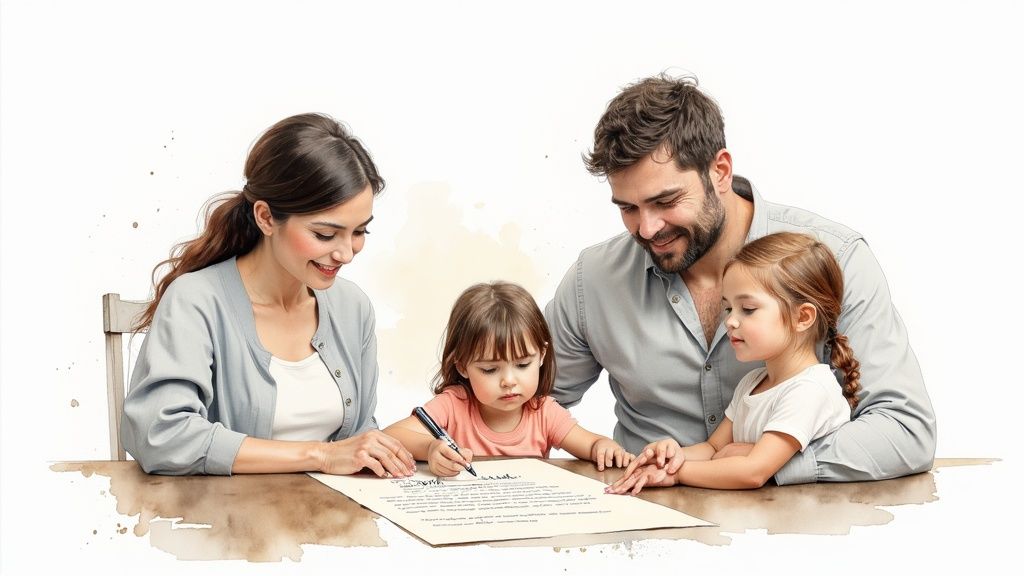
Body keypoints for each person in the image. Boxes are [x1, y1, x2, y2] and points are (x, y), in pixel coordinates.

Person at [545, 74, 936, 485]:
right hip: (643, 515)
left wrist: (766, 464)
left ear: (720, 171)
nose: (646, 228)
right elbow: (525, 406)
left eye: (666, 200)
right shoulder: (594, 280)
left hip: (796, 521)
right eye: (628, 208)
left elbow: (905, 431)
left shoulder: (837, 258)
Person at [121, 113, 416, 477]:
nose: (346, 253)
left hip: (334, 509)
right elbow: (161, 436)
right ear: (265, 217)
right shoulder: (196, 301)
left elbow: (359, 435)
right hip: (227, 512)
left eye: (359, 232)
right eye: (325, 234)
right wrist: (321, 456)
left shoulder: (352, 307)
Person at [607, 232, 859, 492]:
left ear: (803, 317)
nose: (730, 321)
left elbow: (753, 472)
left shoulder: (809, 390)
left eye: (748, 309)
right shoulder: (753, 382)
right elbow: (713, 448)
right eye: (728, 308)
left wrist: (677, 473)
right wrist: (671, 456)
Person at [384, 281, 633, 477]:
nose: (509, 381)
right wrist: (430, 448)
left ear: (542, 355)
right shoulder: (453, 404)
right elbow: (390, 437)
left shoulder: (543, 412)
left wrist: (603, 447)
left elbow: (592, 444)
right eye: (490, 370)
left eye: (523, 365)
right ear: (462, 366)